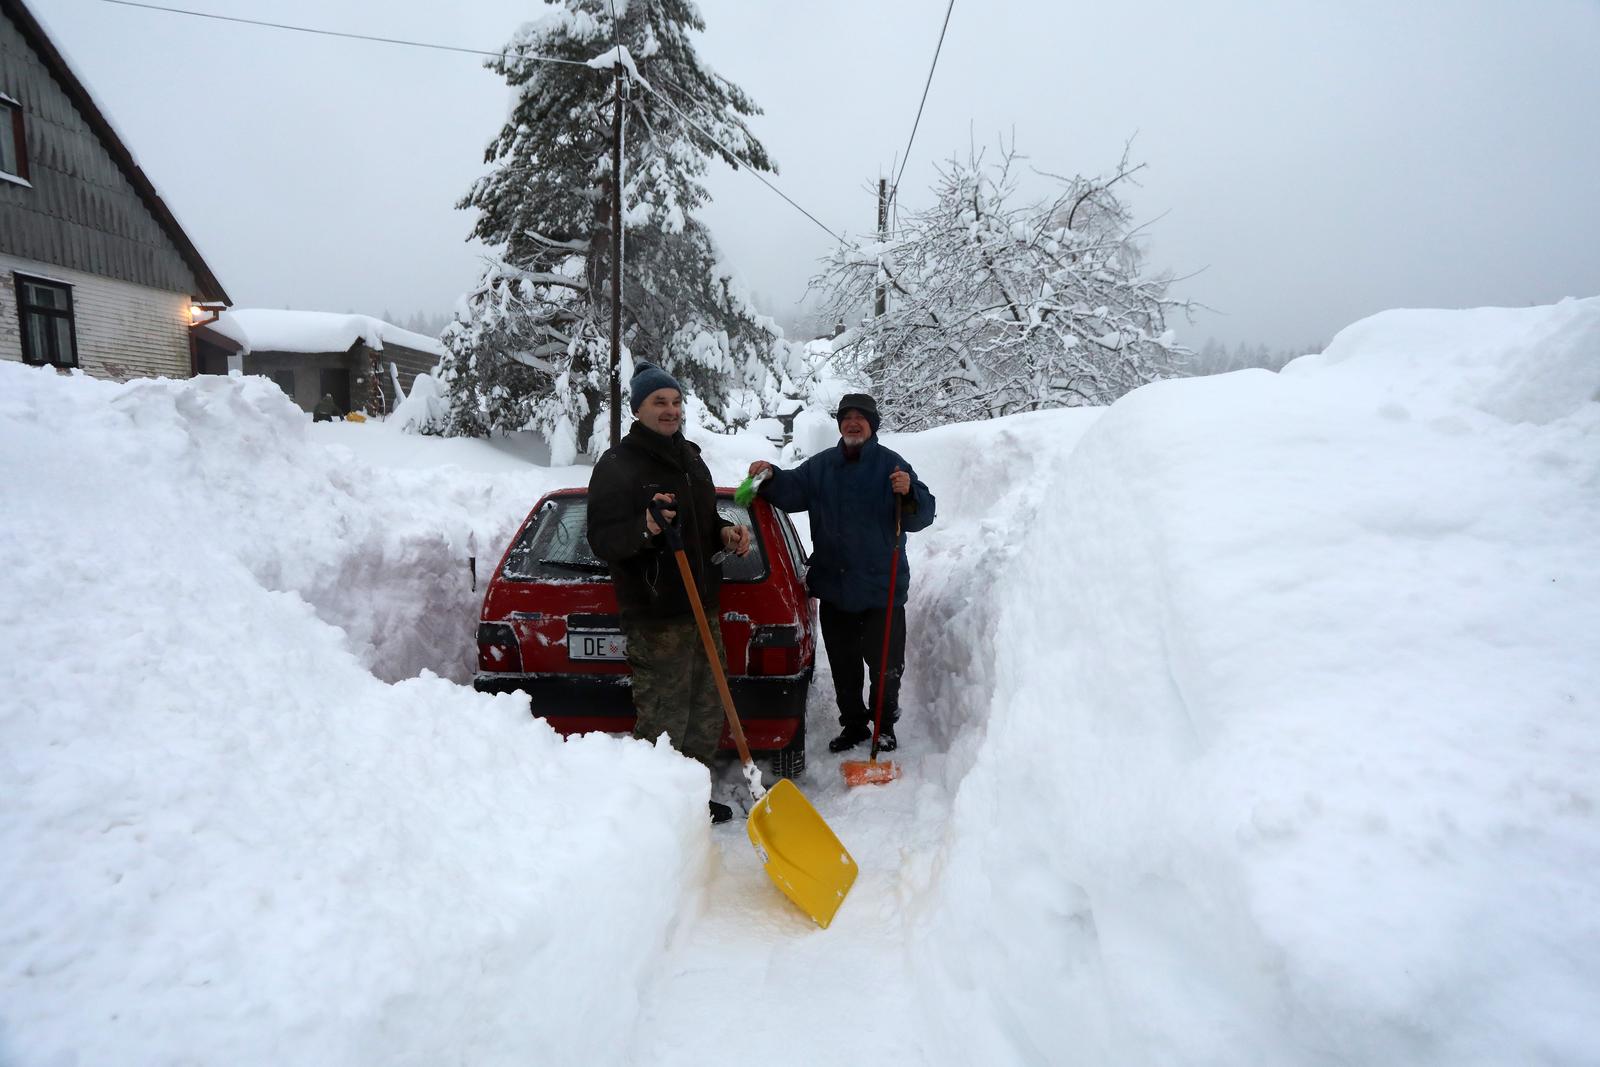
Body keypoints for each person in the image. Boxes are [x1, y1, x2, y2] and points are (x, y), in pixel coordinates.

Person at [587, 361, 754, 824]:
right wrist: (643, 525)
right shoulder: (619, 465)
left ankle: (691, 802)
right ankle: (658, 817)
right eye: (659, 402)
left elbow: (701, 523)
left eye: (676, 402)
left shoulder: (690, 459)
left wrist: (724, 533)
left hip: (702, 604)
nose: (671, 410)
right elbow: (602, 540)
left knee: (705, 713)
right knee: (663, 722)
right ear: (638, 408)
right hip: (657, 614)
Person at [747, 393, 935, 754]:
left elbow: (922, 515)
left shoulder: (892, 466)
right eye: (846, 417)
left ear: (872, 425)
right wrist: (768, 476)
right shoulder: (821, 467)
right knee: (844, 669)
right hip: (835, 588)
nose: (852, 423)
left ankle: (883, 726)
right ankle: (853, 725)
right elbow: (789, 490)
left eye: (860, 418)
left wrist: (909, 492)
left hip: (882, 590)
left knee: (885, 668)